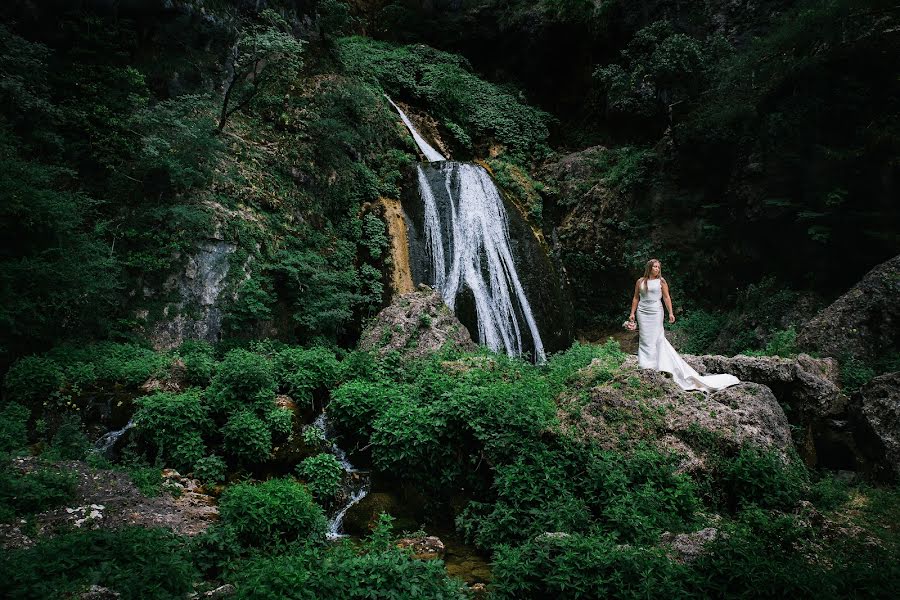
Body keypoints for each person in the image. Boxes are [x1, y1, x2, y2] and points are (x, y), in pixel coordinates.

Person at [628, 259, 740, 391]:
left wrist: (670, 312)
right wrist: (632, 313)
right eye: (655, 267)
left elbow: (666, 297)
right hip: (642, 311)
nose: (657, 269)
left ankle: (656, 365)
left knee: (656, 338)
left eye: (658, 267)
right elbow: (636, 297)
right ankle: (645, 365)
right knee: (645, 338)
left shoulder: (661, 281)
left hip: (656, 311)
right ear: (649, 268)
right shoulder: (640, 281)